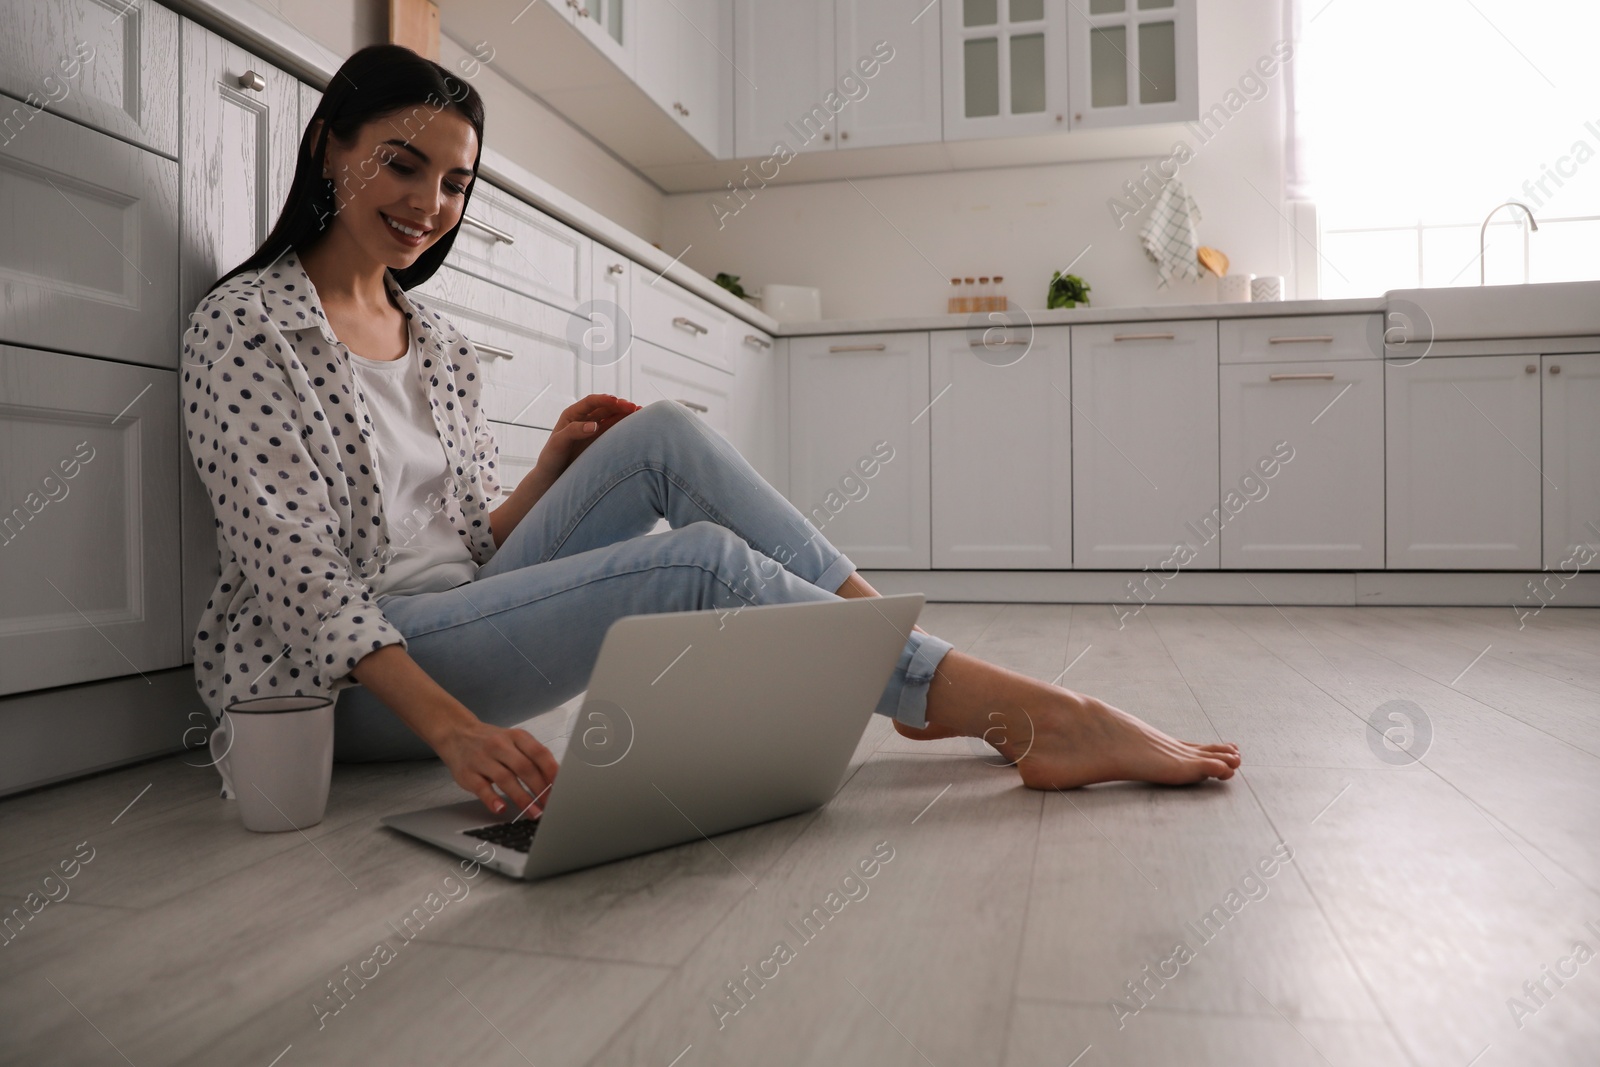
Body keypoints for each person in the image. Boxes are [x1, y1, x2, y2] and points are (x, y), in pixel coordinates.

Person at [181, 44, 1239, 822]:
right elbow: (302, 578)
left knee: (666, 437)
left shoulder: (439, 342)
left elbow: (467, 553)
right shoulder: (248, 327)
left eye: (454, 181)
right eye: (403, 165)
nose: (430, 203)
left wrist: (552, 470)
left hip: (448, 621)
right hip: (335, 694)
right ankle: (1022, 711)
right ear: (331, 147)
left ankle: (887, 644)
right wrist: (455, 729)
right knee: (690, 569)